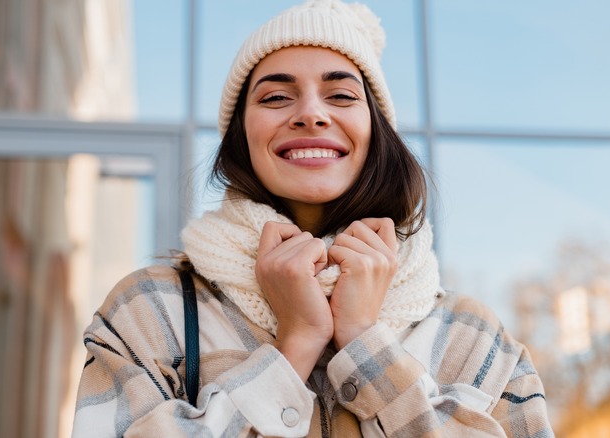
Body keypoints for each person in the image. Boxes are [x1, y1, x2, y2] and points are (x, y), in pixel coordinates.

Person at [72, 0, 554, 436]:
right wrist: (296, 343)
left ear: (376, 132)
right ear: (241, 136)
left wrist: (366, 340)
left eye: (342, 96)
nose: (310, 114)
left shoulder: (470, 334)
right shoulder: (152, 310)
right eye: (276, 97)